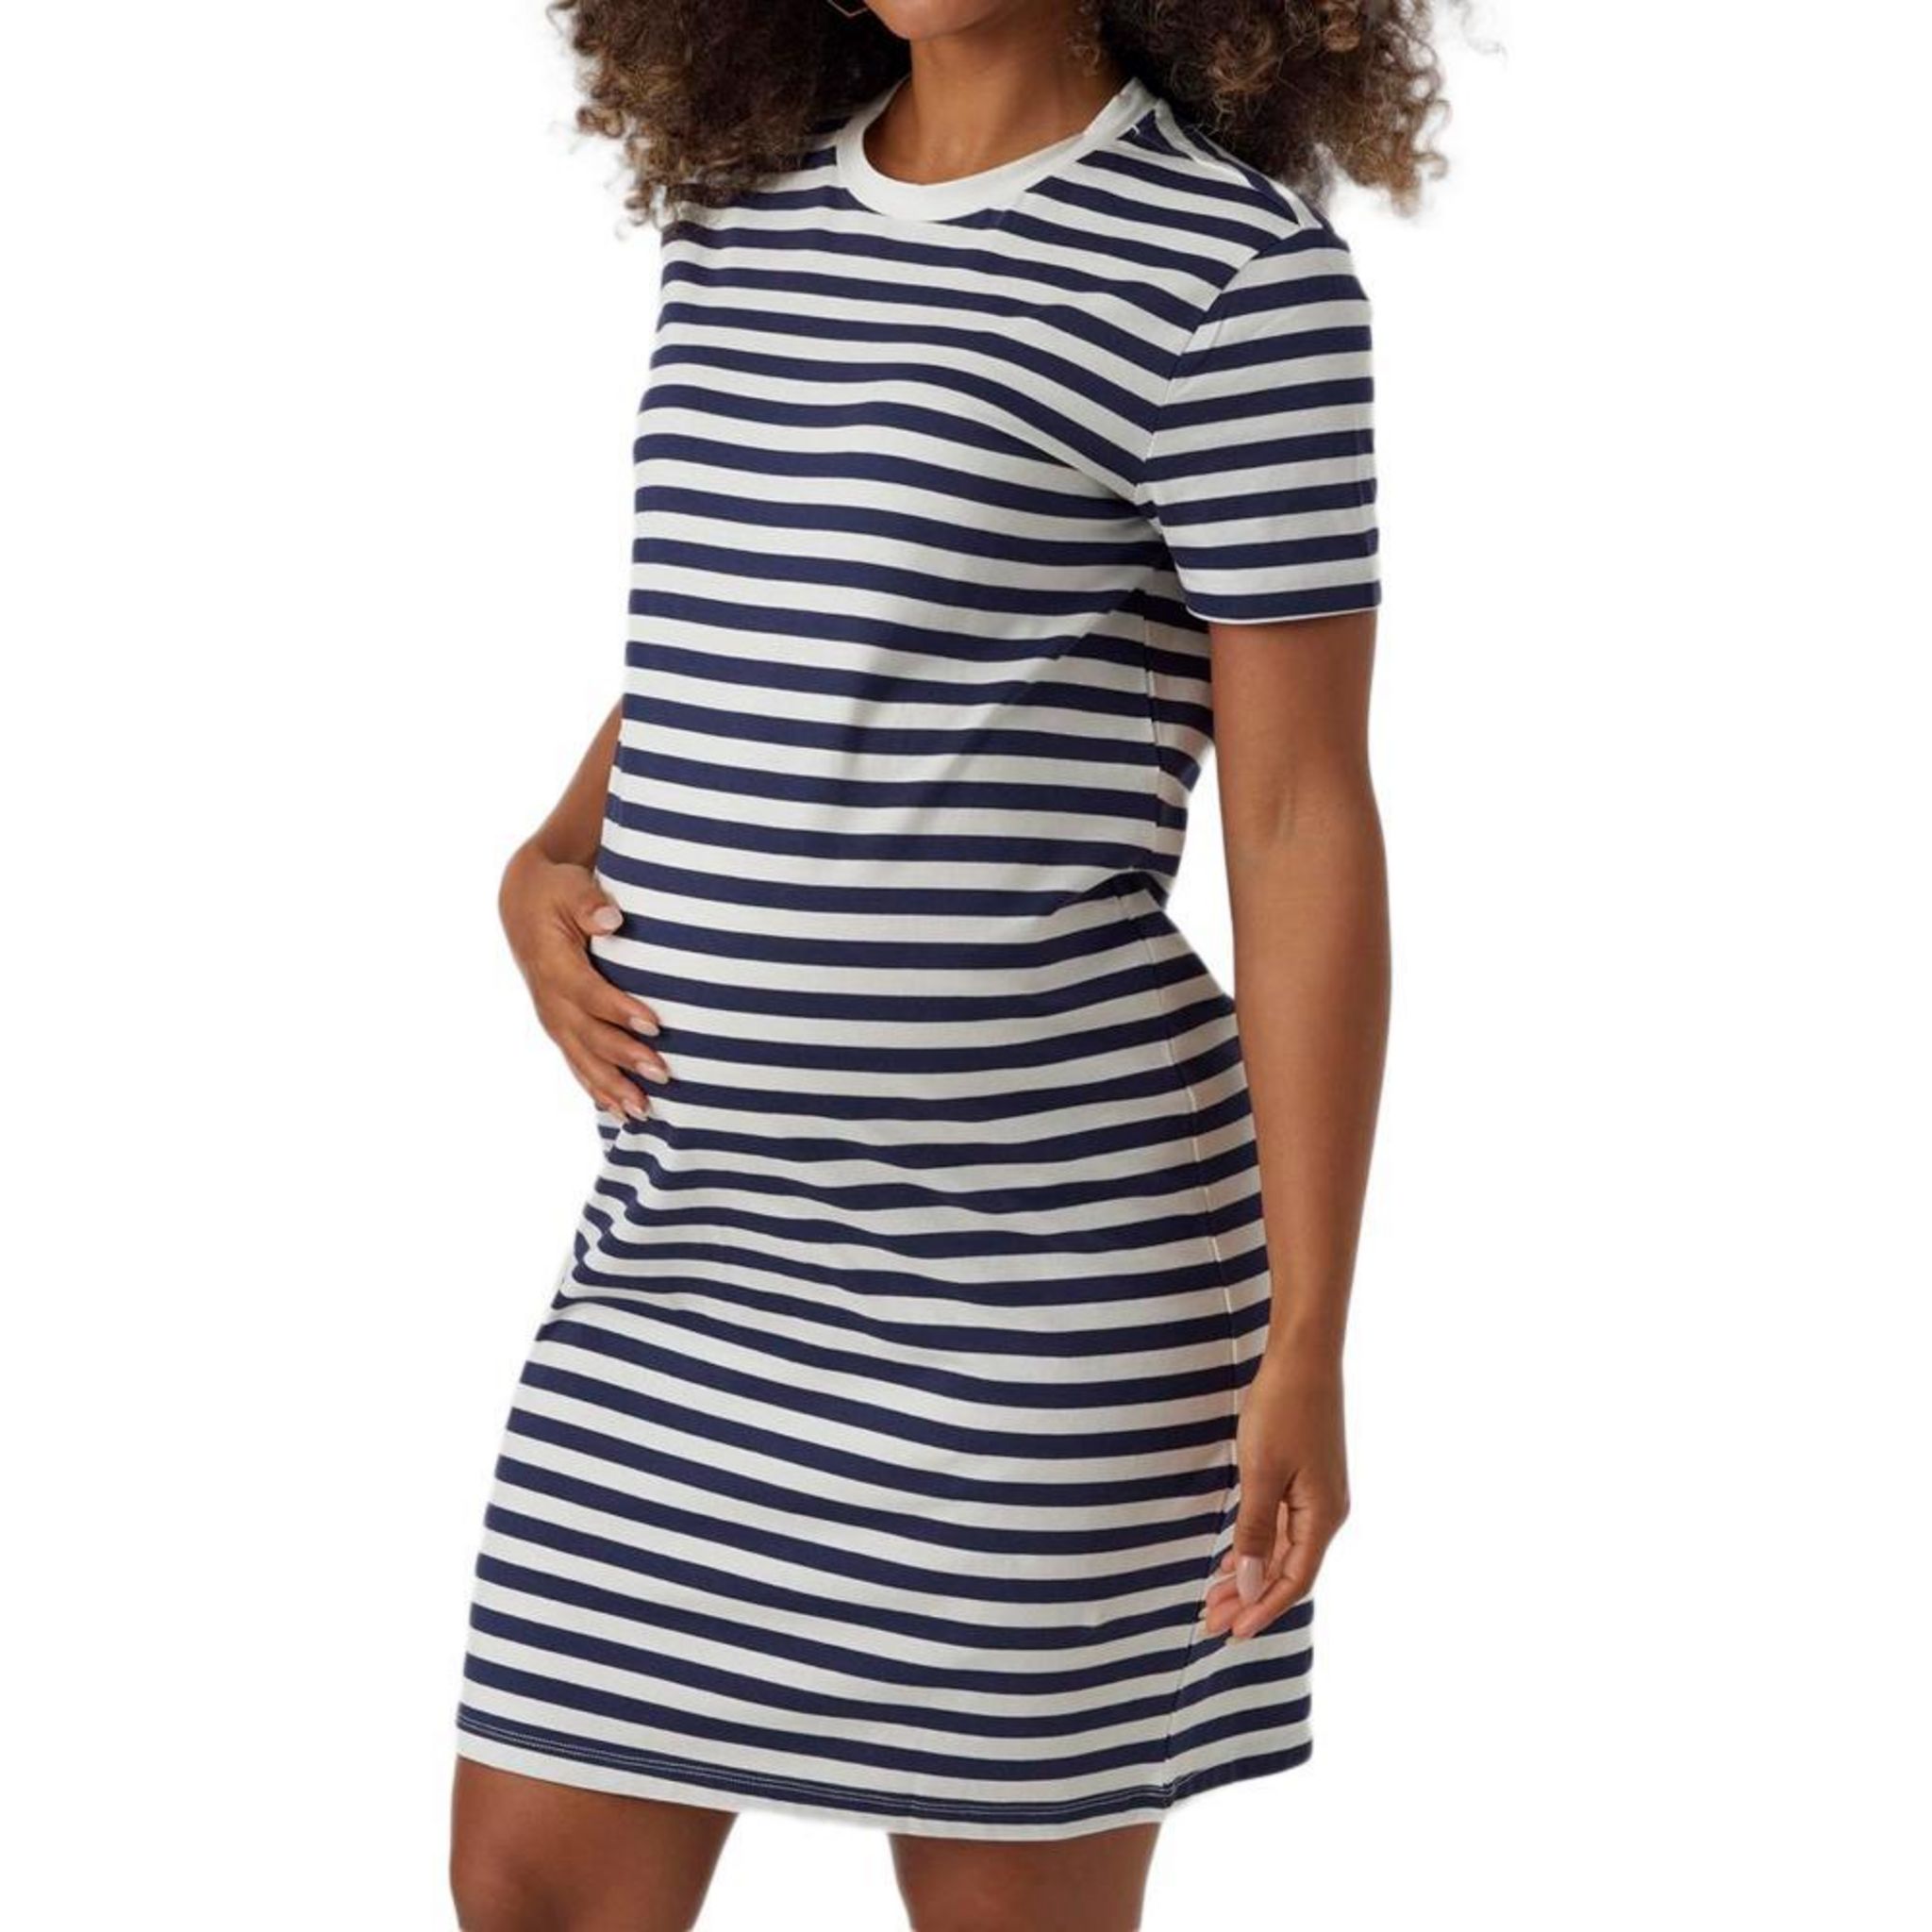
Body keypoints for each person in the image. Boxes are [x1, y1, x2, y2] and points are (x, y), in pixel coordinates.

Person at [449, 2, 1441, 1924]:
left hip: (1042, 1275)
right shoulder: (739, 231)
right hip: (692, 1240)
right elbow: (737, 629)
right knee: (531, 1883)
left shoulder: (1231, 275)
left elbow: (1300, 814)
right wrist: (545, 853)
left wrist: (1310, 1331)